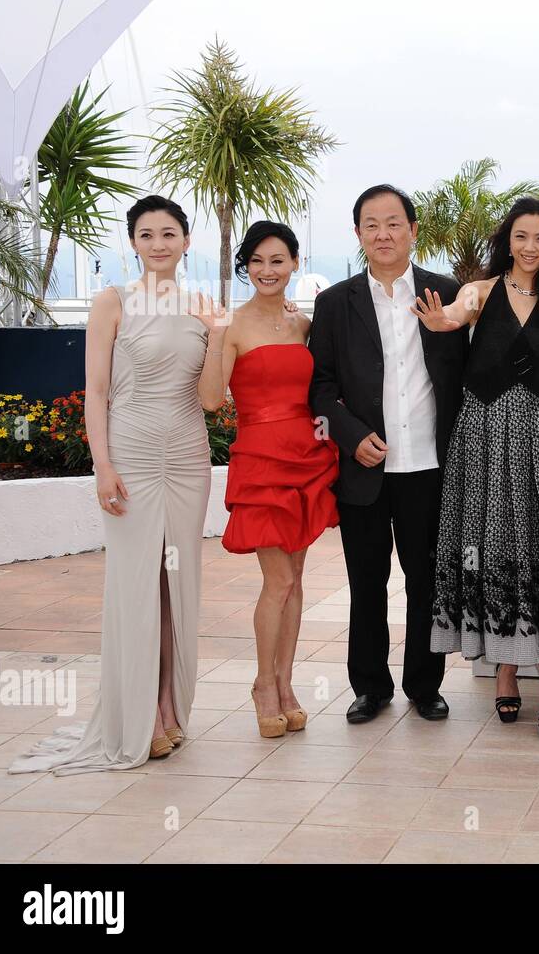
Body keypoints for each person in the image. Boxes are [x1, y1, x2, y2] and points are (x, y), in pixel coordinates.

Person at [11, 195, 213, 773]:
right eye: (146, 234)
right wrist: (103, 465)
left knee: (178, 581)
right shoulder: (112, 301)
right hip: (132, 455)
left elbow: (211, 392)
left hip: (189, 457)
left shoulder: (202, 306)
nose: (158, 243)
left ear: (186, 240)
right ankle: (139, 716)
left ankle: (172, 710)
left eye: (169, 233)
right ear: (132, 243)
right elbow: (95, 392)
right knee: (135, 584)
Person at [413, 197, 539, 741]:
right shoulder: (481, 290)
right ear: (506, 240)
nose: (530, 247)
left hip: (535, 436)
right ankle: (506, 668)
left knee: (533, 547)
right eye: (520, 236)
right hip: (482, 434)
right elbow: (457, 313)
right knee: (487, 547)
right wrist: (443, 321)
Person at [308, 185, 465, 724]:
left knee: (426, 582)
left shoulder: (446, 295)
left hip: (429, 466)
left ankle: (426, 685)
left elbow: (467, 375)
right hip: (365, 470)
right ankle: (370, 687)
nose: (383, 234)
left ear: (413, 230)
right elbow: (320, 390)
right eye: (371, 224)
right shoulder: (334, 304)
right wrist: (350, 436)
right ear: (357, 235)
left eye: (394, 223)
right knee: (366, 584)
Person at [201, 220, 340, 738]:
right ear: (246, 267)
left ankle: (286, 684)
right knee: (277, 580)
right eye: (257, 261)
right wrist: (216, 335)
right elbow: (212, 400)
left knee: (296, 581)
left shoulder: (302, 324)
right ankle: (263, 685)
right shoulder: (232, 325)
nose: (267, 270)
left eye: (277, 260)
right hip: (261, 461)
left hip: (305, 456)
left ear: (294, 264)